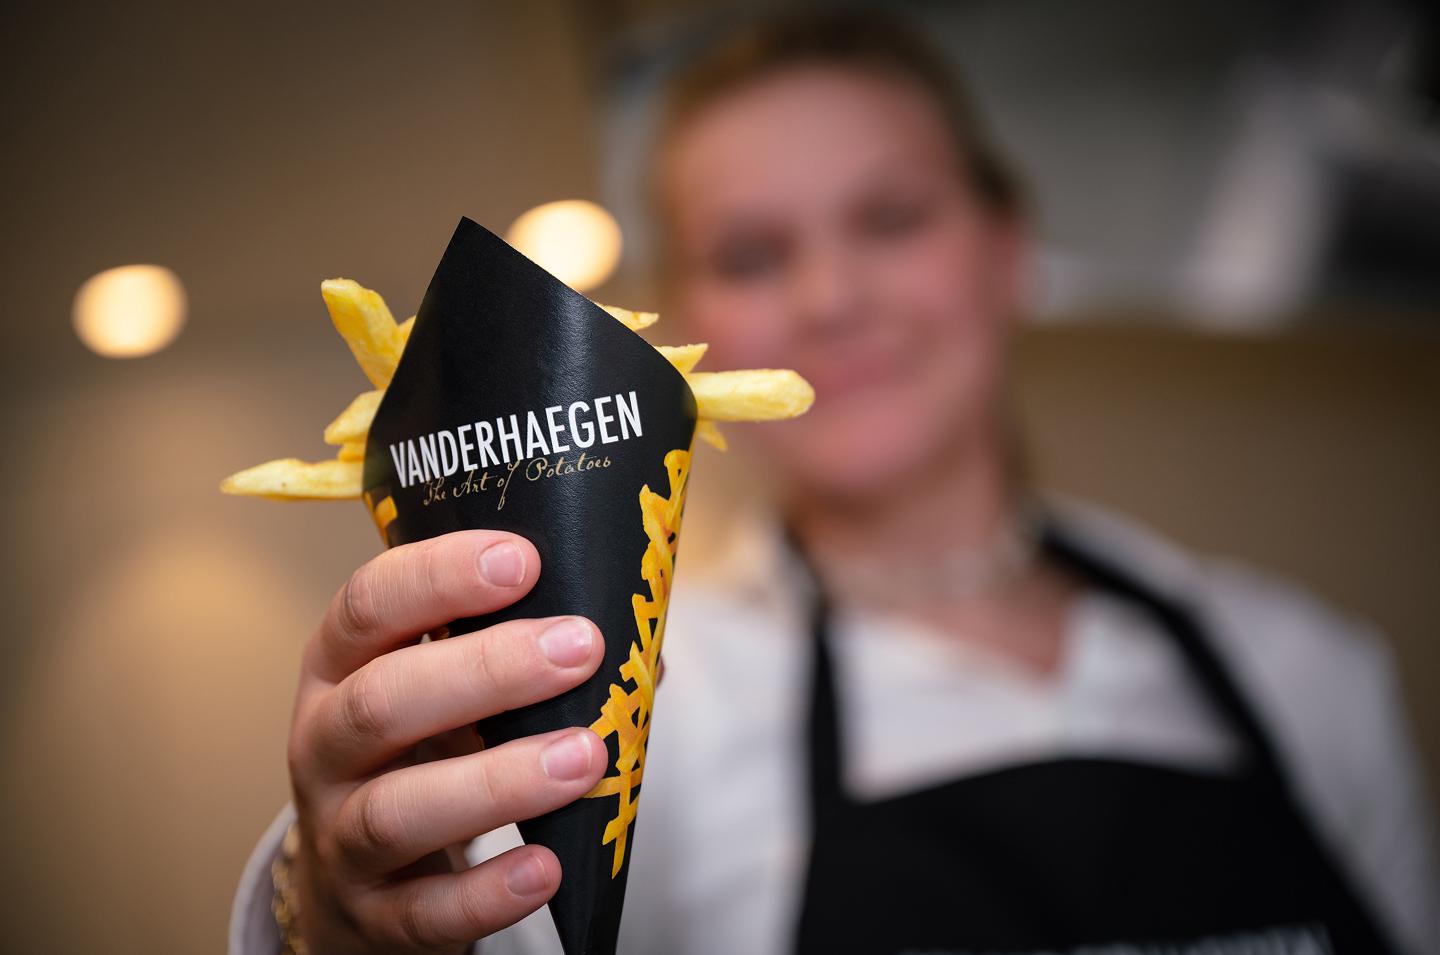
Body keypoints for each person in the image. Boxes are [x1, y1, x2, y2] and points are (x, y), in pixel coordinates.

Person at [231, 11, 1438, 955]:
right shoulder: (622, 711)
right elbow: (443, 908)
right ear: (682, 325)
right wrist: (326, 905)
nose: (830, 296)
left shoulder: (1306, 670)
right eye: (751, 253)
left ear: (1007, 248)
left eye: (891, 218)